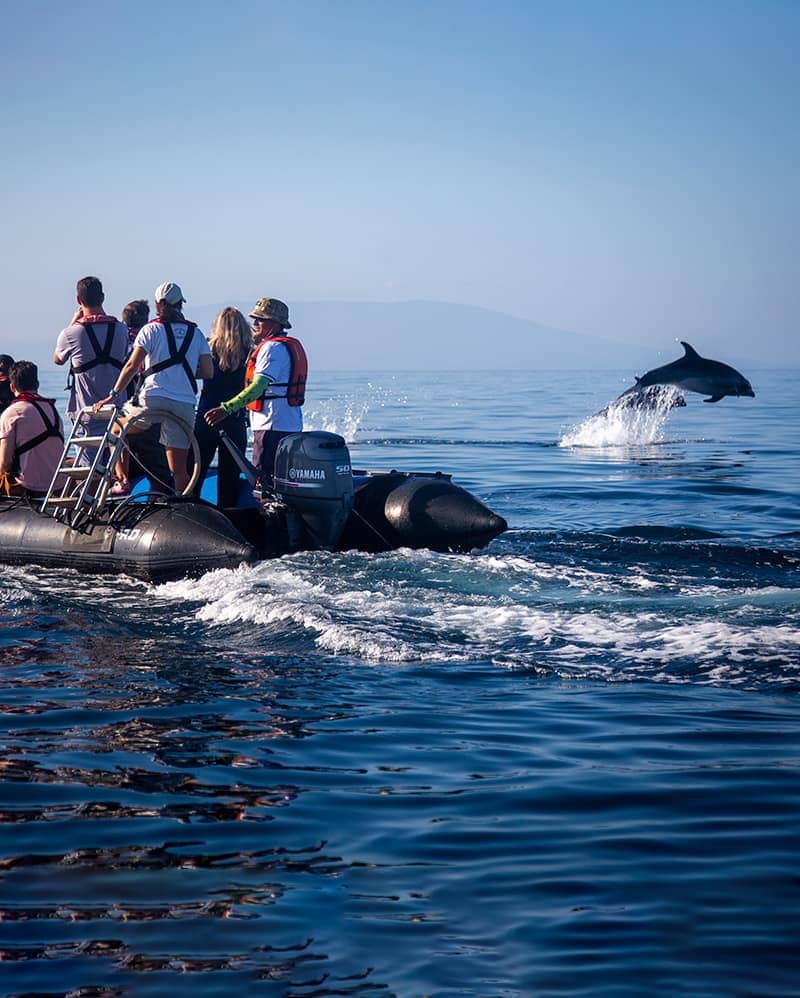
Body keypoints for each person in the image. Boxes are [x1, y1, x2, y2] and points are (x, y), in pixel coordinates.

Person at [93, 282, 212, 495]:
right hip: (184, 404)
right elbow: (207, 372)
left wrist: (113, 394)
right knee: (179, 469)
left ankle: (121, 480)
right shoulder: (197, 333)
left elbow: (131, 366)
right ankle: (183, 506)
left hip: (152, 398)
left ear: (158, 304)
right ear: (181, 304)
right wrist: (180, 371)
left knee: (116, 430)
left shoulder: (150, 329)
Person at [204, 297, 306, 494]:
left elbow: (258, 387)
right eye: (255, 319)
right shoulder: (286, 345)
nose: (255, 323)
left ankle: (267, 520)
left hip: (271, 426)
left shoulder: (271, 348)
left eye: (261, 319)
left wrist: (226, 408)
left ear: (275, 324)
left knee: (264, 480)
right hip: (290, 425)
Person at [192, 307, 251, 508]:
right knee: (230, 476)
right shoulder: (250, 352)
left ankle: (192, 513)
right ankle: (229, 518)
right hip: (235, 417)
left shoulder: (208, 349)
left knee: (196, 470)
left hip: (207, 415)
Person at [53, 277, 130, 430]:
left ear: (78, 300)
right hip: (117, 411)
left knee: (88, 453)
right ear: (102, 297)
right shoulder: (121, 330)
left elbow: (57, 359)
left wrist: (73, 322)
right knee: (117, 453)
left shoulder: (71, 333)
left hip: (86, 411)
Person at [0, 361, 64, 498]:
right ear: (37, 384)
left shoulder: (12, 413)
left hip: (26, 486)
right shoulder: (53, 410)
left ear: (12, 387)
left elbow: (4, 464)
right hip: (57, 485)